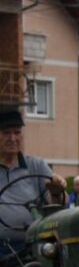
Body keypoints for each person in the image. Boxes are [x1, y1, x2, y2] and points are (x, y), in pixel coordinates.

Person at [0, 109, 66, 257]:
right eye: (6, 133)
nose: (13, 138)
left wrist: (57, 191)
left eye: (17, 133)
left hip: (32, 243)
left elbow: (57, 206)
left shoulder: (36, 165)